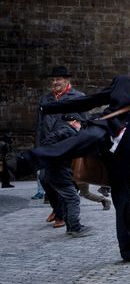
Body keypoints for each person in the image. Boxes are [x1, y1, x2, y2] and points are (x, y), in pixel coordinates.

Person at [6, 48, 130, 263]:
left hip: (126, 154)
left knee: (125, 202)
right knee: (74, 143)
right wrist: (49, 108)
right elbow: (91, 101)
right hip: (103, 131)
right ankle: (21, 163)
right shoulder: (123, 82)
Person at [37, 66, 87, 227]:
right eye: (53, 79)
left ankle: (62, 215)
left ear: (67, 80)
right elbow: (39, 125)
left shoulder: (78, 97)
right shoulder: (46, 99)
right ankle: (57, 208)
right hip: (48, 146)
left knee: (67, 181)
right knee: (44, 178)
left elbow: (86, 122)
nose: (55, 82)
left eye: (58, 79)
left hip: (68, 147)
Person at [41, 113, 91, 237]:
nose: (80, 126)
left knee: (65, 199)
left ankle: (70, 226)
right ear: (74, 121)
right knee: (73, 199)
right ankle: (75, 227)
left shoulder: (62, 130)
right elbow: (48, 144)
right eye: (80, 123)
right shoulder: (67, 131)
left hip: (56, 172)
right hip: (60, 173)